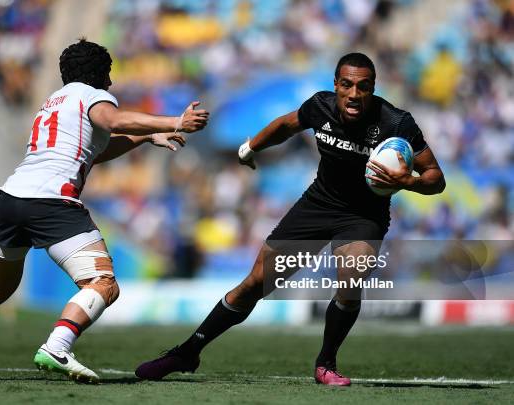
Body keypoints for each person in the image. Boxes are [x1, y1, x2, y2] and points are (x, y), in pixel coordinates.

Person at [135, 53, 445, 386]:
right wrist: (251, 147)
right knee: (255, 283)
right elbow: (285, 125)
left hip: (363, 215)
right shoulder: (320, 107)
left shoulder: (396, 123)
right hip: (318, 205)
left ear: (372, 88)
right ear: (336, 85)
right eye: (347, 85)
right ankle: (187, 351)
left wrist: (408, 182)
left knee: (351, 278)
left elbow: (435, 177)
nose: (354, 94)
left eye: (363, 87)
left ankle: (326, 363)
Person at [0, 39, 209, 383]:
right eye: (109, 75)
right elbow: (114, 120)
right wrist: (174, 121)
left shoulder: (53, 103)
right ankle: (58, 346)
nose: (112, 83)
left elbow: (93, 152)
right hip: (52, 201)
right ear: (100, 74)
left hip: (13, 197)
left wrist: (146, 137)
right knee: (103, 284)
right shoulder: (93, 96)